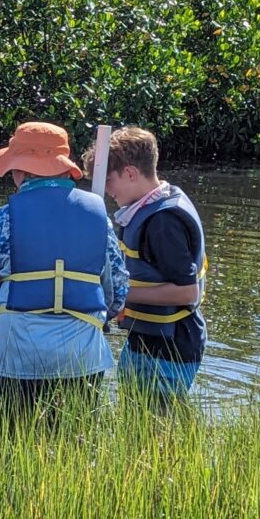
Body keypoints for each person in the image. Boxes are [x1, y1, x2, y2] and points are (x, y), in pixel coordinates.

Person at [0, 121, 128, 418]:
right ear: (63, 167)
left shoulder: (6, 217)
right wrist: (102, 317)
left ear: (21, 171)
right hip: (83, 356)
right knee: (76, 445)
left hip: (21, 356)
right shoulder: (99, 215)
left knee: (13, 440)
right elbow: (118, 290)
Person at [89, 126, 208, 406]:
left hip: (169, 349)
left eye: (108, 181)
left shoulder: (163, 222)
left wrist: (117, 294)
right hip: (144, 341)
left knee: (156, 433)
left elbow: (187, 293)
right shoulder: (150, 207)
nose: (106, 191)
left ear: (130, 173)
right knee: (134, 425)